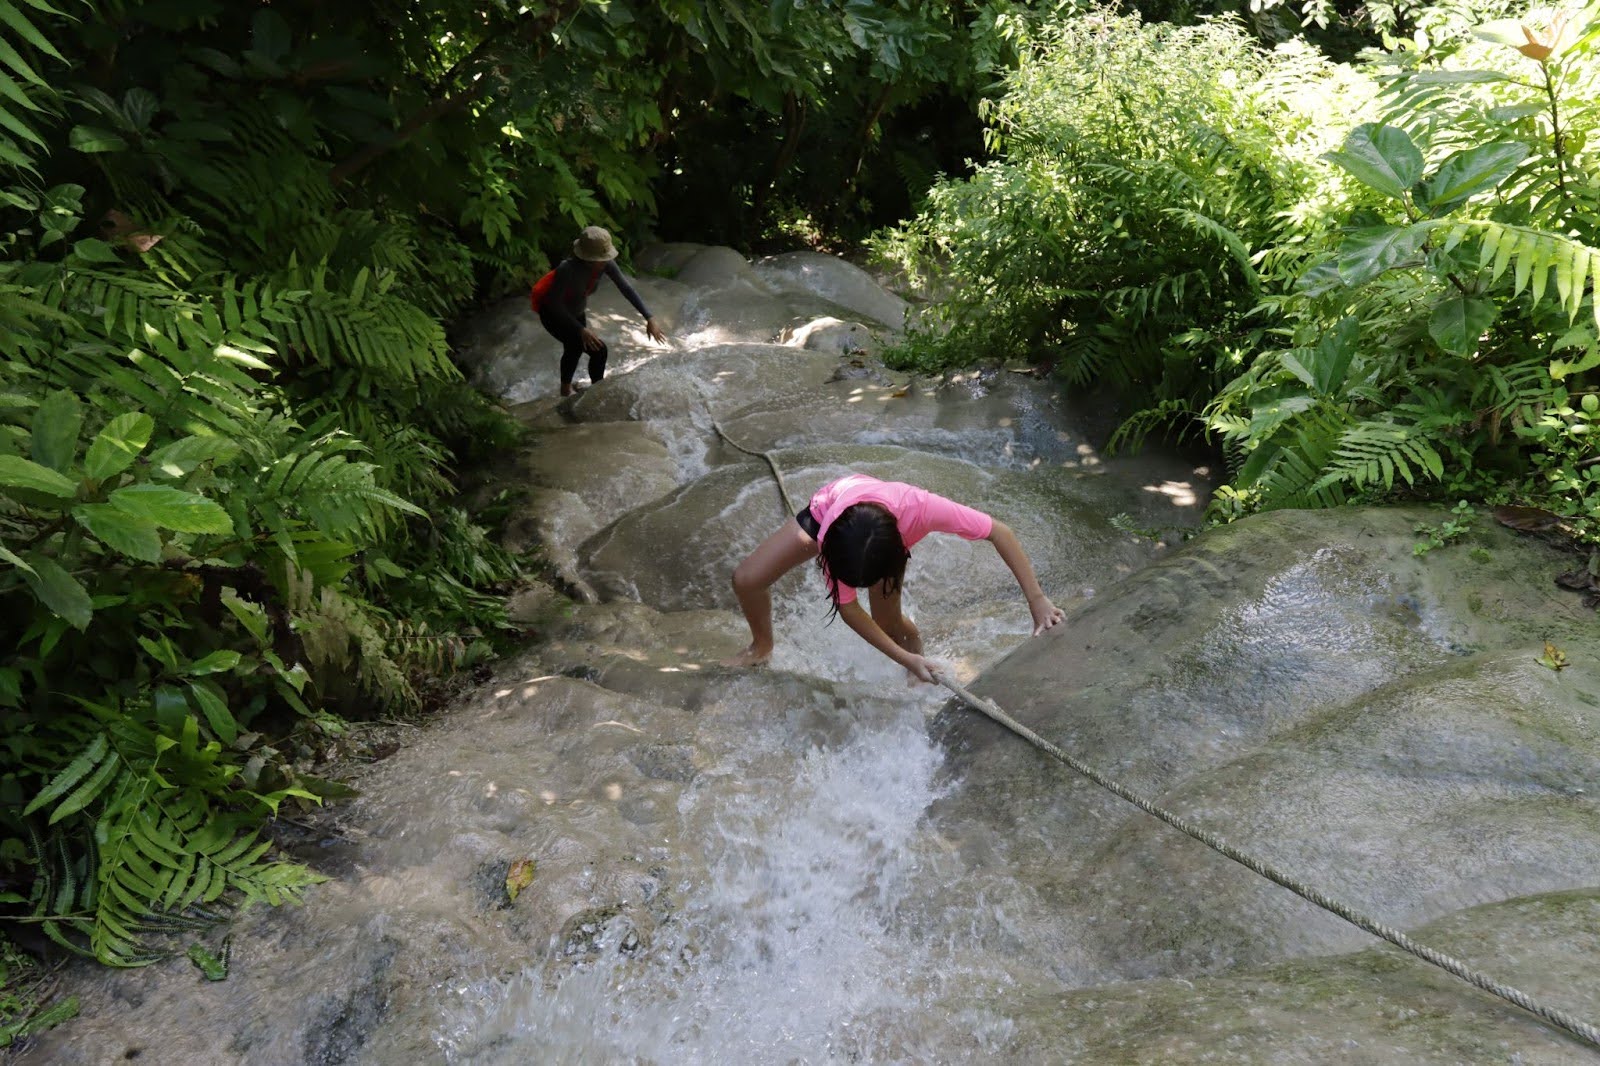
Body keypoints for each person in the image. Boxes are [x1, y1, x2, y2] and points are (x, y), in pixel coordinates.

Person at [723, 473, 1065, 681]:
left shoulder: (925, 509)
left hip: (883, 528)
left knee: (889, 624)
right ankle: (761, 646)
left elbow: (999, 532)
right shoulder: (834, 539)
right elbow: (848, 609)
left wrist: (1036, 599)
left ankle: (918, 655)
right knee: (746, 579)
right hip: (831, 509)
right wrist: (901, 658)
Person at [532, 226, 666, 396]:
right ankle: (573, 390)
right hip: (555, 315)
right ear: (587, 259)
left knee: (580, 349)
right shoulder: (567, 269)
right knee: (589, 348)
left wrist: (649, 317)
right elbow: (554, 305)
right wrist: (581, 330)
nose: (606, 262)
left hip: (577, 313)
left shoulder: (605, 264)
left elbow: (626, 289)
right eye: (601, 259)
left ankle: (593, 391)